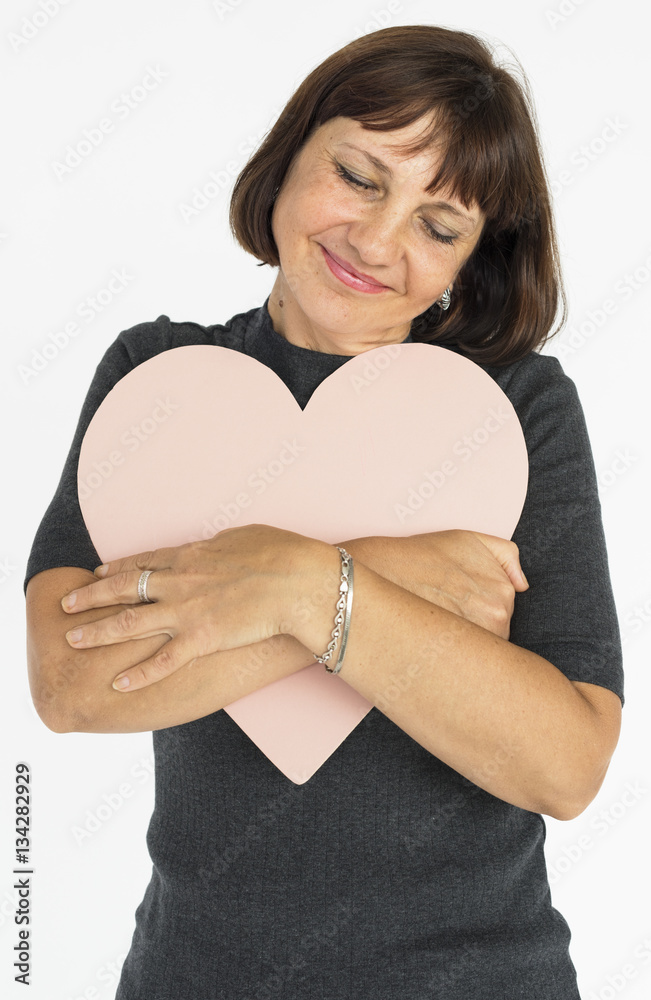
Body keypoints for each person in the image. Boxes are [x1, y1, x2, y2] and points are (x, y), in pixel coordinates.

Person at [24, 24, 624, 999]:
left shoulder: (517, 407)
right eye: (358, 175)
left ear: (471, 263)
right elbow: (76, 682)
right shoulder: (158, 378)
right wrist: (386, 572)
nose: (379, 241)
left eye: (440, 225)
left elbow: (563, 765)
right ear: (290, 154)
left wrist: (303, 583)